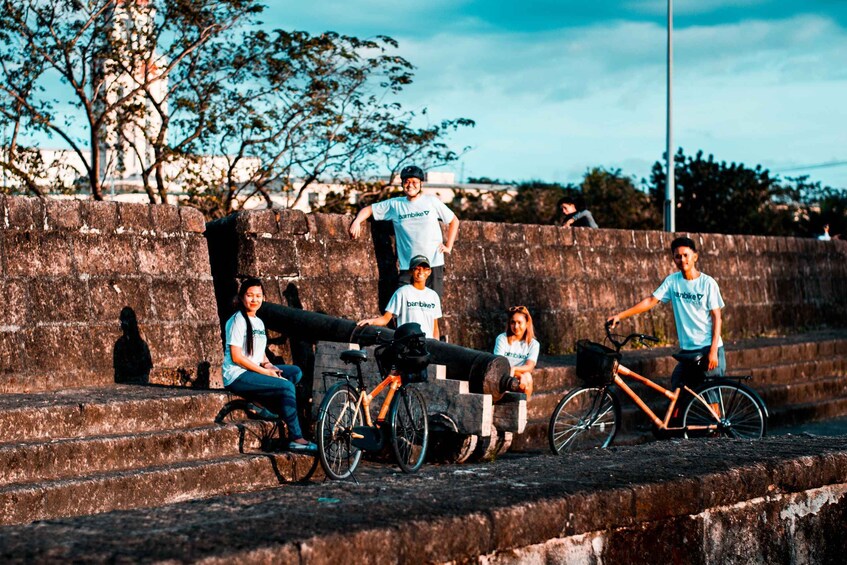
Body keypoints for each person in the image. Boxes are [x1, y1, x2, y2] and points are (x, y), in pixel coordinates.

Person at [607, 236, 725, 396]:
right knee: (677, 387)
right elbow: (651, 300)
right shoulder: (673, 281)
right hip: (688, 350)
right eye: (677, 256)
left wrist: (713, 351)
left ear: (695, 256)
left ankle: (715, 421)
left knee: (711, 396)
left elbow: (717, 317)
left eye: (685, 255)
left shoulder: (707, 283)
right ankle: (675, 421)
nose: (682, 260)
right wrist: (620, 316)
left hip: (707, 347)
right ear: (673, 259)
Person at [222, 277, 316, 453]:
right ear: (242, 297)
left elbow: (259, 351)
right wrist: (265, 373)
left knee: (295, 372)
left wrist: (268, 365)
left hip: (253, 372)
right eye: (250, 295)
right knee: (287, 386)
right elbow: (237, 357)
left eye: (258, 296)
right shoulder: (237, 321)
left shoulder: (258, 321)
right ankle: (296, 437)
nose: (254, 299)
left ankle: (263, 405)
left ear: (263, 298)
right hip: (237, 375)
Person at [348, 165, 459, 297]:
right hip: (408, 265)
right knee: (403, 304)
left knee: (432, 306)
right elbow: (369, 209)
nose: (410, 185)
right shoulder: (395, 205)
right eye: (406, 182)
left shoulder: (431, 201)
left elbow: (454, 220)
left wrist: (449, 246)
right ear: (402, 184)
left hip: (433, 263)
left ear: (420, 184)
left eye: (414, 182)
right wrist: (357, 221)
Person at [357, 255, 442, 340]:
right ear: (410, 272)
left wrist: (437, 346)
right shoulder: (402, 292)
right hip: (407, 343)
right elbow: (385, 319)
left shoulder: (433, 296)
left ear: (429, 272)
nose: (421, 272)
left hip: (427, 345)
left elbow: (435, 327)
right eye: (417, 268)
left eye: (424, 269)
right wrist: (371, 322)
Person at [493, 305, 539, 399]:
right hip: (502, 375)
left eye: (519, 322)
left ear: (527, 323)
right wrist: (516, 372)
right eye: (513, 322)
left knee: (527, 377)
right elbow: (499, 365)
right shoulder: (502, 339)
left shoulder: (533, 344)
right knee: (524, 376)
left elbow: (529, 366)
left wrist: (514, 370)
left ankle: (523, 409)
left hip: (519, 378)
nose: (516, 326)